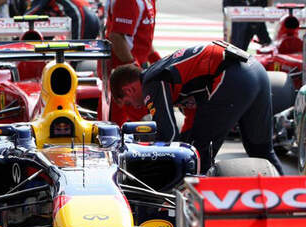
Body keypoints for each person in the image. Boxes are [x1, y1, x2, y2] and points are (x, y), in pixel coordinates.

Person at [109, 42, 283, 175]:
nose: (136, 106)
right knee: (261, 149)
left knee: (200, 152)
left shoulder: (151, 82)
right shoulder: (169, 74)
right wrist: (187, 139)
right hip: (256, 70)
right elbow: (194, 114)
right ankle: (292, 201)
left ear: (129, 90)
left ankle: (196, 205)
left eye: (128, 102)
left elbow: (168, 133)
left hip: (232, 75)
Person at [105, 0, 166, 125]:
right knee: (130, 130)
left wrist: (160, 63)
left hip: (137, 73)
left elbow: (142, 39)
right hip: (127, 82)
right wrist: (138, 75)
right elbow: (117, 38)